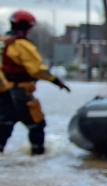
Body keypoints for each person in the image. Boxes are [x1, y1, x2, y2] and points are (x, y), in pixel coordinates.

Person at [0, 10, 70, 155]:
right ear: (27, 27)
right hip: (20, 93)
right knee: (36, 125)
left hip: (4, 93)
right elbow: (37, 70)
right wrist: (56, 81)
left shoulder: (2, 42)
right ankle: (37, 158)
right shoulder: (22, 45)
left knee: (5, 125)